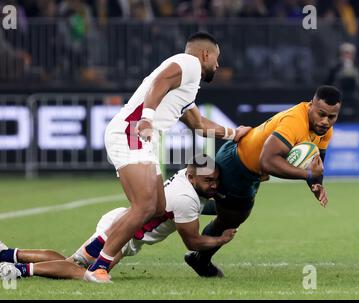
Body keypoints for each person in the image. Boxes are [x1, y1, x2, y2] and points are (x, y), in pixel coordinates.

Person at [82, 31, 250, 283]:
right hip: (133, 131)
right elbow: (160, 81)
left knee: (156, 208)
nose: (218, 64)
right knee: (146, 206)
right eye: (217, 57)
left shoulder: (186, 87)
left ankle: (91, 252)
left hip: (140, 137)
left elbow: (199, 123)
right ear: (205, 54)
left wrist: (233, 133)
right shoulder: (189, 63)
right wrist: (147, 118)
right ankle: (99, 266)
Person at [0, 156, 237, 281]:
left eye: (216, 180)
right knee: (83, 272)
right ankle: (15, 269)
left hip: (123, 225)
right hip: (120, 232)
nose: (213, 185)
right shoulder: (187, 197)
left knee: (73, 263)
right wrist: (220, 239)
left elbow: (194, 206)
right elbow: (192, 242)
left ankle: (4, 255)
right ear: (192, 177)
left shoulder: (187, 179)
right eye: (208, 180)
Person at [184, 85, 342, 277]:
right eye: (321, 114)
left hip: (250, 170)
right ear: (311, 105)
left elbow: (317, 162)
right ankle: (200, 259)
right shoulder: (294, 122)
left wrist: (316, 184)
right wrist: (307, 175)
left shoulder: (325, 131)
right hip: (237, 164)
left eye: (331, 117)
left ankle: (193, 211)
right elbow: (268, 161)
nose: (325, 121)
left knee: (233, 212)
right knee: (231, 218)